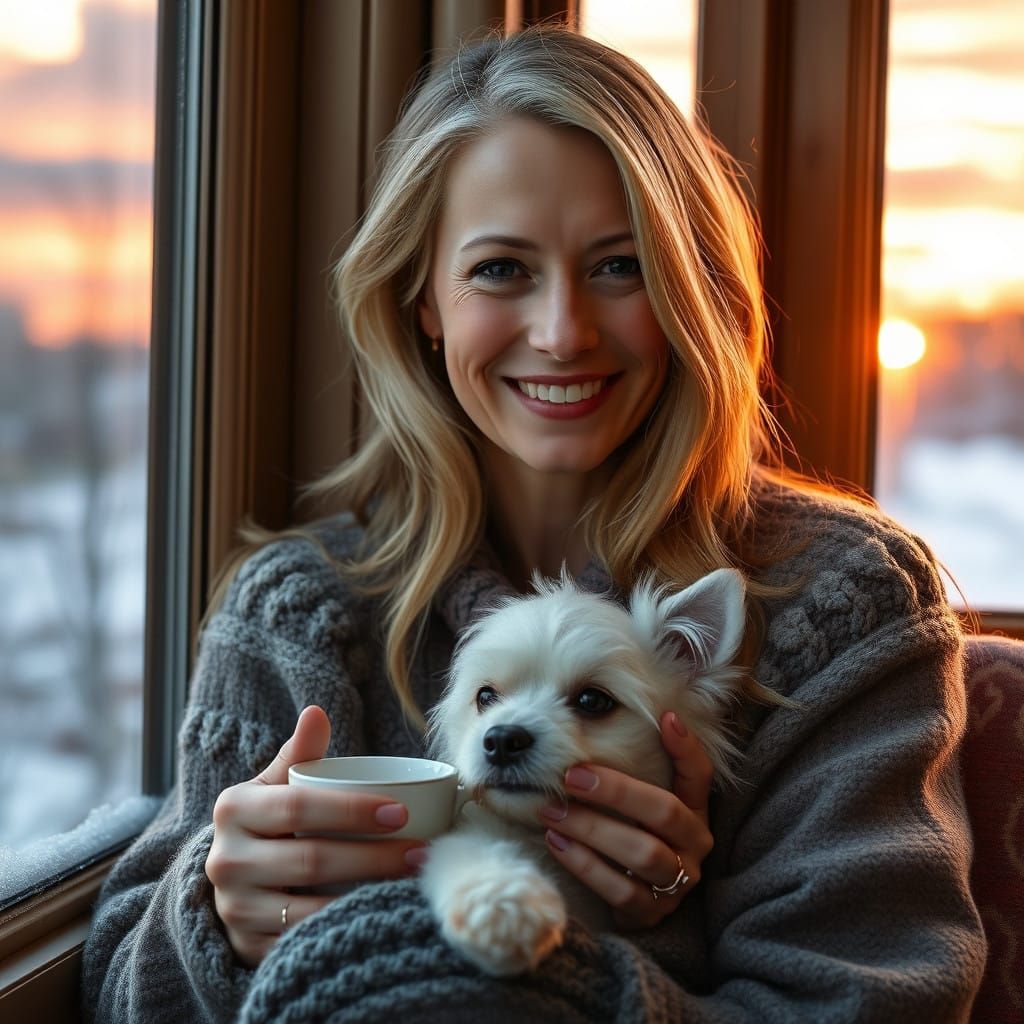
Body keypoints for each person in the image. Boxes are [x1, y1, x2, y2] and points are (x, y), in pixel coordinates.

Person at [82, 25, 987, 1023]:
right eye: (501, 269)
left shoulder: (840, 601)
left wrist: (624, 940)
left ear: (694, 291)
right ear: (422, 296)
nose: (562, 331)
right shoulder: (297, 611)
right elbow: (124, 986)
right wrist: (219, 912)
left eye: (618, 266)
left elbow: (878, 999)